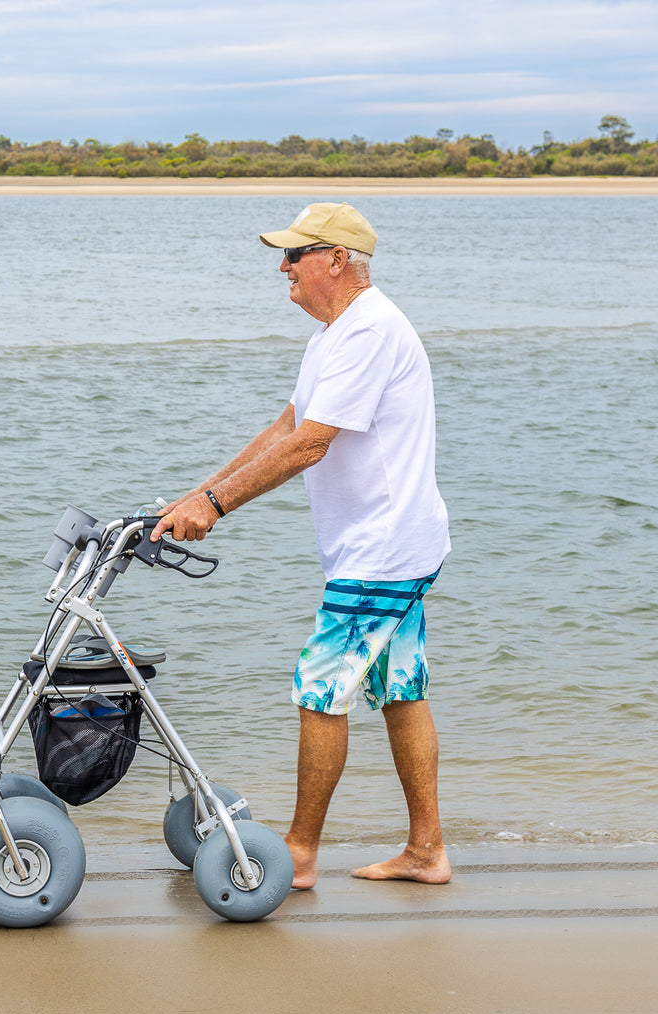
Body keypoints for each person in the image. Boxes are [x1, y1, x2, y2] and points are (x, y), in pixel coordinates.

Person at [151, 202, 453, 889]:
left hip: (383, 545)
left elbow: (312, 446)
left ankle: (300, 851)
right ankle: (426, 849)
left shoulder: (369, 331)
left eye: (295, 255)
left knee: (320, 689)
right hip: (391, 541)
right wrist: (195, 493)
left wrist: (216, 505)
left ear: (336, 260)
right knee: (400, 689)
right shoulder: (333, 335)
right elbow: (286, 427)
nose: (282, 267)